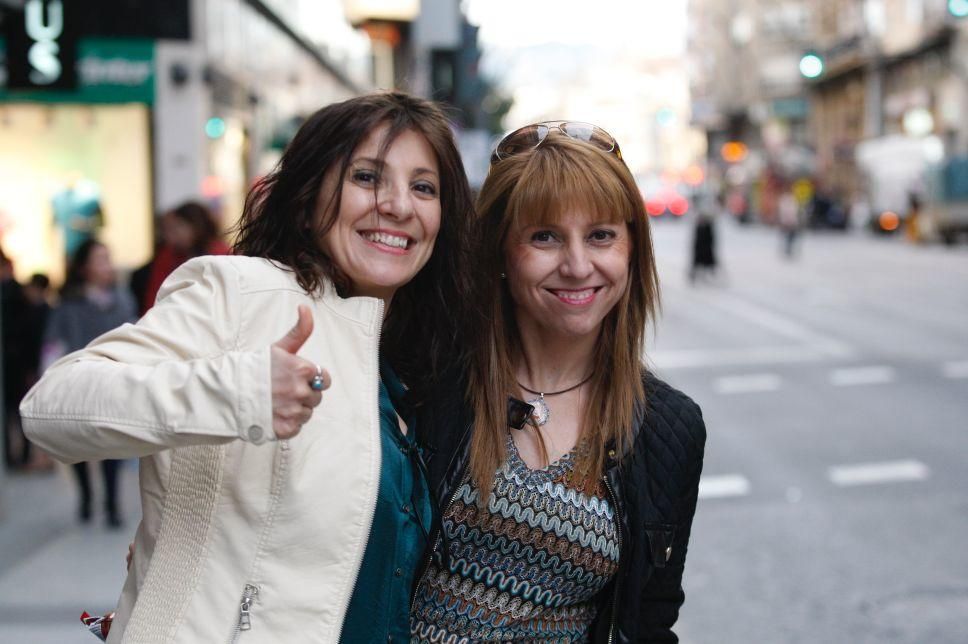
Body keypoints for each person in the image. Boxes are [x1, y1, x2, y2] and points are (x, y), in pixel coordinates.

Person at [22, 92, 473, 642]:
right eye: (367, 177)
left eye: (424, 187)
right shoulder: (244, 293)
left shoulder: (408, 360)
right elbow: (53, 408)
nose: (400, 205)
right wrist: (236, 391)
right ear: (309, 200)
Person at [411, 122, 707, 642]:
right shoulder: (427, 378)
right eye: (544, 236)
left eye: (601, 236)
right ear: (501, 252)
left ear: (632, 250)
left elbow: (650, 621)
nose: (576, 265)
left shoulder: (668, 426)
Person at [41, 240, 137, 526]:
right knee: (79, 443)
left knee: (110, 443)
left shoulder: (122, 299)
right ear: (84, 268)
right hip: (77, 382)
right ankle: (86, 496)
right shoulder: (69, 303)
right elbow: (53, 343)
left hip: (112, 381)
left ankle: (111, 503)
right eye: (99, 259)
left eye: (108, 258)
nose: (106, 265)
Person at [138, 200, 231, 314]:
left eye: (177, 228)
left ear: (195, 227)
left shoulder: (221, 254)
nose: (170, 236)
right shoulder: (167, 255)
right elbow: (154, 296)